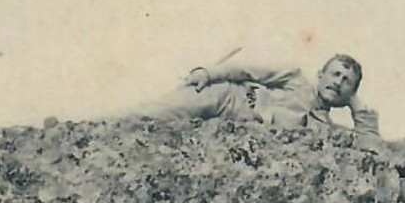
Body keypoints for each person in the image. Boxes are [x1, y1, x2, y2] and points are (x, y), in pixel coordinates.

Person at [130, 53, 381, 141]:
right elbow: (247, 69)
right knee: (145, 116)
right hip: (225, 97)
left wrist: (356, 104)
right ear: (321, 74)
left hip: (232, 129)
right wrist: (208, 73)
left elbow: (370, 148)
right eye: (335, 74)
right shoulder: (295, 78)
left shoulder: (325, 128)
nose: (338, 82)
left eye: (347, 81)